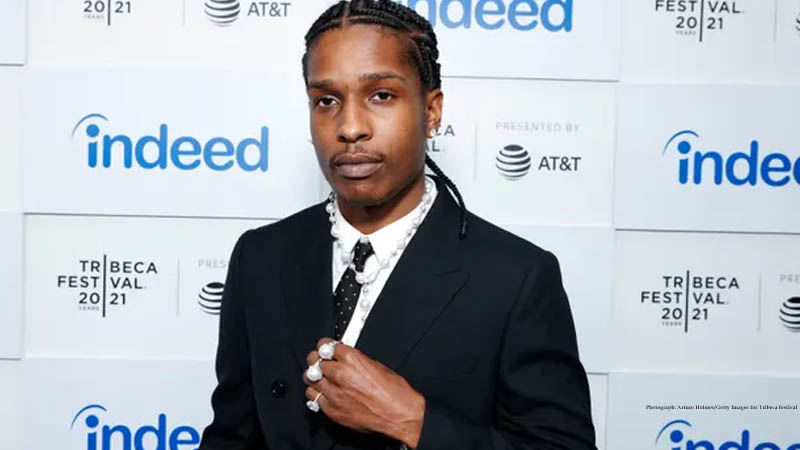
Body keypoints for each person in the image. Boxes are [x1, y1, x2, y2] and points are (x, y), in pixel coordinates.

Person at [199, 1, 596, 449]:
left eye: (381, 95)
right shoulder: (261, 257)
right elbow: (231, 436)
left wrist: (413, 421)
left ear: (432, 111)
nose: (350, 127)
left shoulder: (515, 278)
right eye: (326, 100)